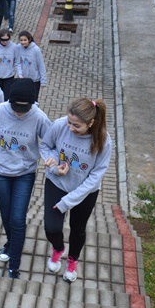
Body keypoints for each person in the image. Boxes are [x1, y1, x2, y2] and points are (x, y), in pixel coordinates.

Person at [0, 78, 52, 279]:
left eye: (23, 109)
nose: (19, 113)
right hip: (0, 172)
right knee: (6, 214)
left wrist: (52, 159)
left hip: (24, 174)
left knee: (18, 219)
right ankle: (11, 242)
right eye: (16, 108)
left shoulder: (39, 117)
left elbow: (51, 141)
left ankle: (14, 265)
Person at [41, 98, 112, 283]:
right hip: (57, 183)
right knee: (51, 228)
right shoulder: (59, 125)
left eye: (77, 126)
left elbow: (96, 176)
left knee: (78, 229)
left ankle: (72, 260)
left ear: (91, 122)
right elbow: (46, 146)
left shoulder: (103, 140)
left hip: (85, 191)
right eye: (69, 122)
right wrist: (52, 163)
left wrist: (68, 201)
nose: (71, 128)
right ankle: (58, 248)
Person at [15, 31, 48, 101]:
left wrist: (43, 80)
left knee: (33, 100)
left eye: (25, 40)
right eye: (21, 40)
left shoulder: (36, 50)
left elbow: (41, 65)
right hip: (23, 79)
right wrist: (20, 74)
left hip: (34, 80)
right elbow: (18, 62)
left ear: (29, 39)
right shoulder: (18, 48)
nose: (23, 42)